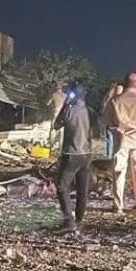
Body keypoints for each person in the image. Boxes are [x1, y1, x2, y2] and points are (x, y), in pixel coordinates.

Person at [102, 72, 136, 213]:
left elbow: (105, 120)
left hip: (121, 140)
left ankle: (118, 205)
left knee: (119, 172)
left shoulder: (115, 100)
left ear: (124, 83)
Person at [54, 86, 92, 232]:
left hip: (72, 154)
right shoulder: (89, 110)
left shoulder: (70, 109)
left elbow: (57, 124)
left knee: (61, 186)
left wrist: (65, 105)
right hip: (87, 154)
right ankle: (79, 220)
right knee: (83, 188)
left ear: (73, 96)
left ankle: (69, 220)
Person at [101, 83, 124, 157]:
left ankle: (111, 157)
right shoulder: (113, 100)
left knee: (114, 145)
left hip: (113, 126)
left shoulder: (111, 100)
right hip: (115, 127)